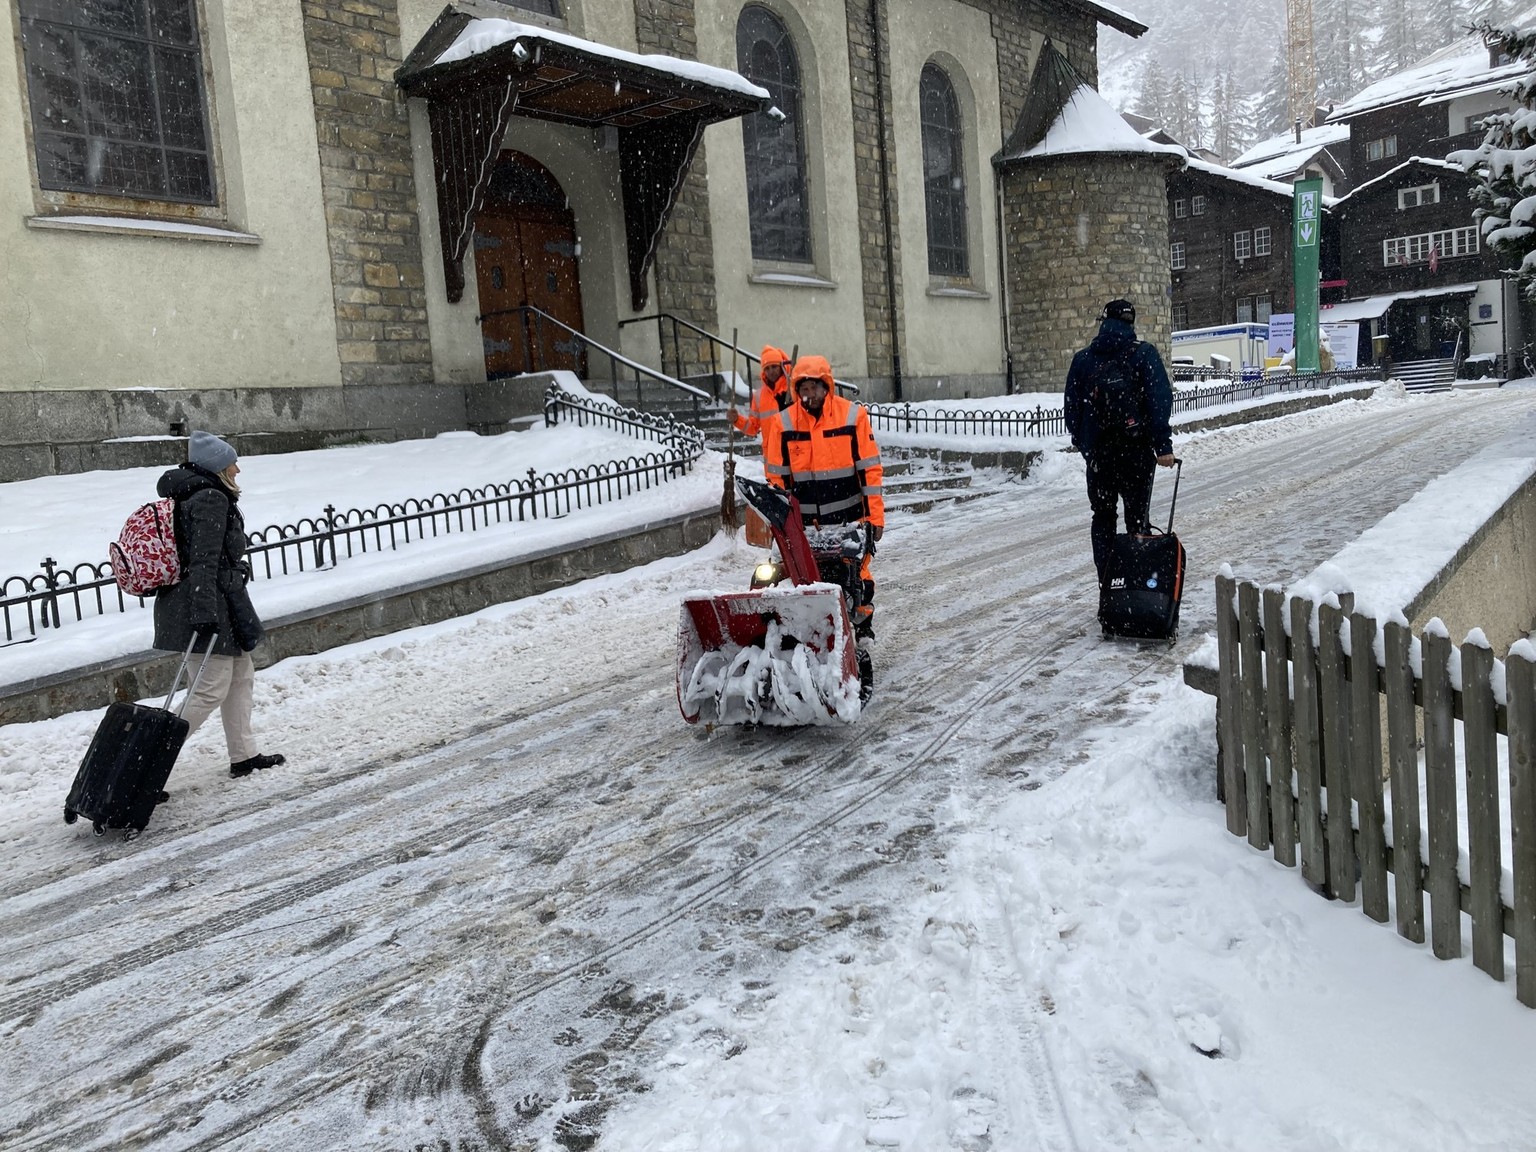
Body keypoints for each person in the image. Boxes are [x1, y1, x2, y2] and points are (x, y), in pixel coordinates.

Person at [154, 431, 285, 779]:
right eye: (232, 462)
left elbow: (211, 557)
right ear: (216, 466)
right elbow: (203, 562)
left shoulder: (194, 494)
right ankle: (146, 764)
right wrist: (204, 615)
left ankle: (244, 755)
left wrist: (235, 567)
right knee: (209, 689)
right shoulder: (210, 498)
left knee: (241, 675)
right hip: (206, 606)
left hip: (216, 602)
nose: (238, 469)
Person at [760, 355, 885, 641]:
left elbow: (870, 472)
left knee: (857, 579)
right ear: (796, 390)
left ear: (827, 386)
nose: (810, 394)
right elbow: (776, 479)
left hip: (849, 521)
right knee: (796, 579)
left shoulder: (852, 416)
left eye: (815, 387)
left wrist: (874, 518)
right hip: (804, 525)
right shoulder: (784, 423)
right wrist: (778, 523)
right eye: (804, 388)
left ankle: (862, 628)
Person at [1063, 298, 1176, 585]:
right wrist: (1162, 446)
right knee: (1137, 519)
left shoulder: (1083, 360)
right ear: (1130, 322)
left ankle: (1109, 584)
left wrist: (1088, 447)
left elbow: (1072, 410)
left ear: (1104, 322)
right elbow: (1159, 401)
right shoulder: (1144, 355)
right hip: (1136, 453)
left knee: (1102, 517)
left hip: (1101, 457)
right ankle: (1137, 587)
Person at [730, 345, 792, 438]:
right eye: (767, 368)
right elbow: (753, 428)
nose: (771, 371)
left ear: (782, 367)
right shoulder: (758, 396)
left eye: (774, 366)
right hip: (771, 451)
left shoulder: (793, 390)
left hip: (793, 449)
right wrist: (737, 420)